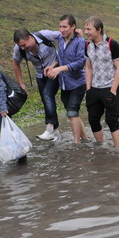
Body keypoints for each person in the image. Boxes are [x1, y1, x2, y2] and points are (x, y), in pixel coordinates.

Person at [45, 15, 89, 144]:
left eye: (65, 27)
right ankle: (85, 138)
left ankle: (77, 143)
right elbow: (60, 59)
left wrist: (59, 69)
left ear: (73, 27)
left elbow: (81, 62)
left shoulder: (80, 41)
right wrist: (52, 66)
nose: (62, 29)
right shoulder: (60, 39)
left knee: (72, 112)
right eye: (60, 27)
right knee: (72, 113)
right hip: (64, 84)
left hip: (78, 83)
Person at [12, 28, 61, 141]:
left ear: (30, 37)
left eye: (24, 45)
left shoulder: (45, 35)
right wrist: (21, 82)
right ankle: (56, 132)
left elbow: (63, 35)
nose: (23, 48)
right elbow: (15, 64)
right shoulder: (19, 49)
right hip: (40, 75)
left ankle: (49, 128)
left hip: (55, 70)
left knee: (47, 95)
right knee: (46, 100)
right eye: (21, 46)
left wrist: (77, 34)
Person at [84, 16, 119, 147]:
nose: (86, 32)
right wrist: (88, 88)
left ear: (99, 29)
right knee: (93, 119)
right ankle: (101, 147)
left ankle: (118, 150)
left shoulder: (112, 44)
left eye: (89, 29)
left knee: (112, 120)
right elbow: (88, 67)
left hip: (110, 87)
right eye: (85, 29)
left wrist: (113, 90)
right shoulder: (87, 45)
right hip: (94, 88)